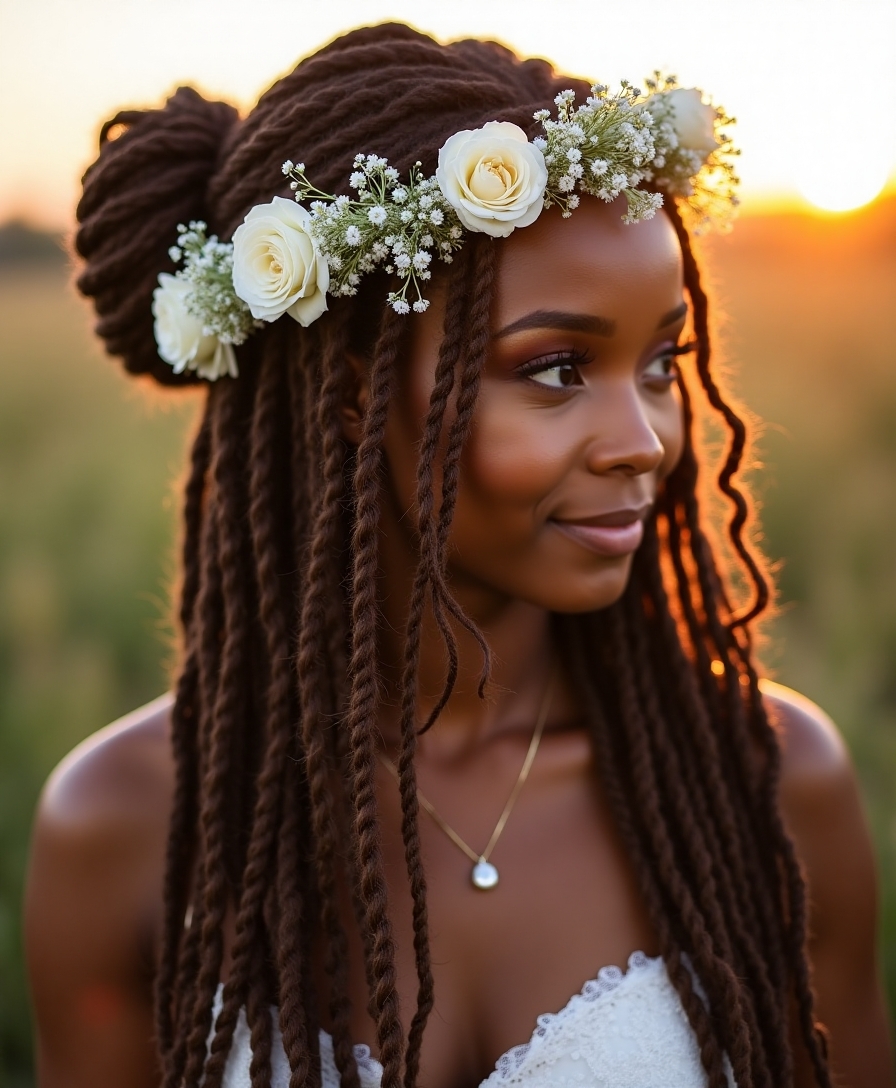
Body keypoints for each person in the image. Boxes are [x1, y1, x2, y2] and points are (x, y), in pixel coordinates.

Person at [23, 21, 892, 1088]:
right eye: (557, 367)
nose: (646, 441)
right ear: (351, 393)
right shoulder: (124, 824)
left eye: (662, 360)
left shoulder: (766, 782)